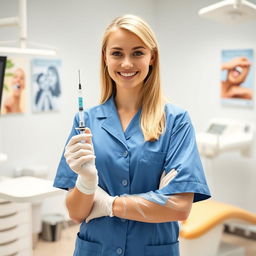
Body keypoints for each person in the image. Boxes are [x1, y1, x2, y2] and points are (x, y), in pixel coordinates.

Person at [53, 14, 211, 256]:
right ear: (105, 57)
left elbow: (178, 207)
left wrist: (107, 204)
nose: (127, 63)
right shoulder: (86, 123)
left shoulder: (176, 121)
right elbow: (76, 213)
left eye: (137, 53)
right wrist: (86, 183)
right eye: (117, 53)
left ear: (152, 57)